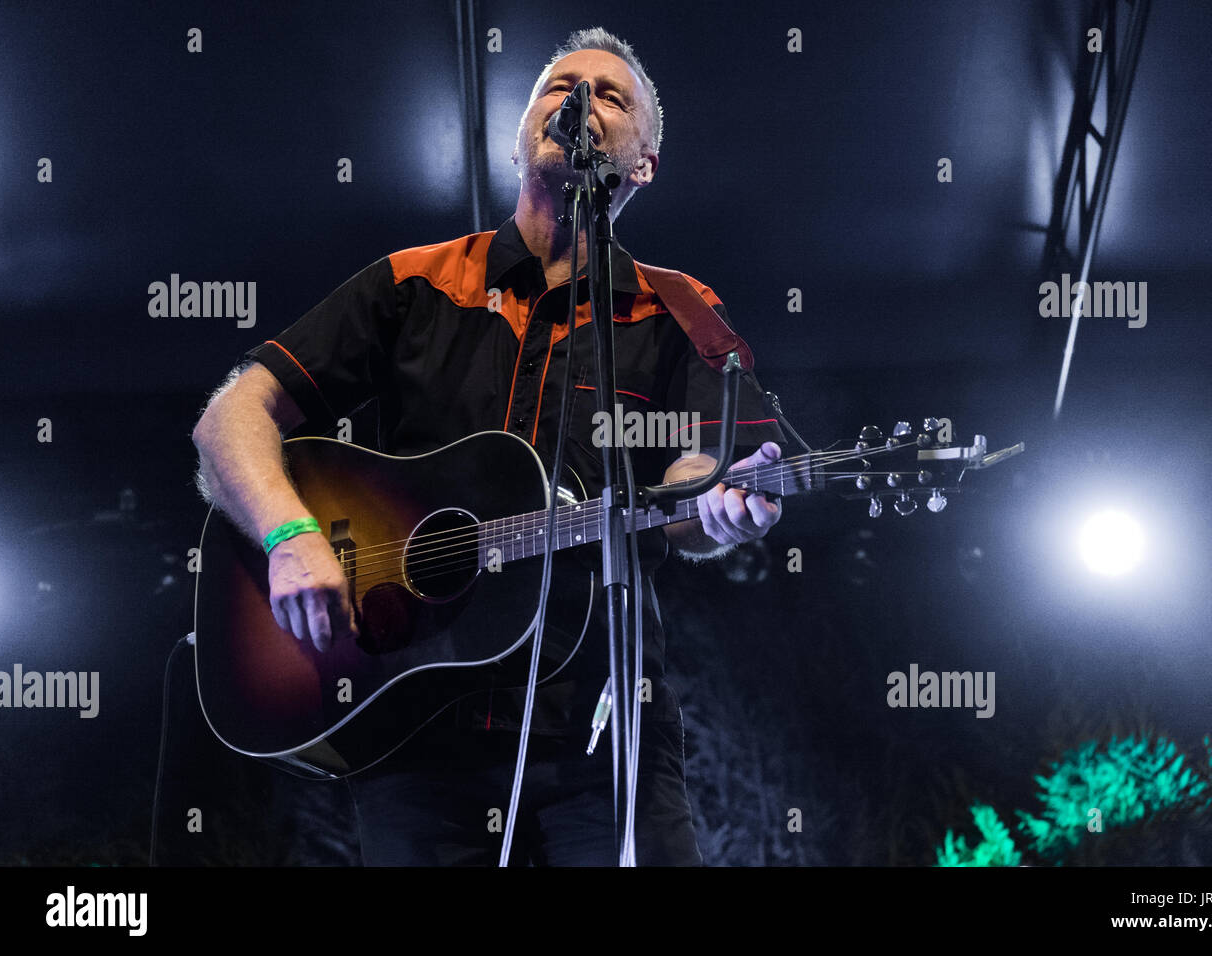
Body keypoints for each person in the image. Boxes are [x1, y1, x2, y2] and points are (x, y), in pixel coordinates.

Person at [192, 27, 785, 866]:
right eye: (559, 87)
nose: (579, 101)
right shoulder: (413, 282)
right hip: (417, 731)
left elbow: (695, 470)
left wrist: (716, 506)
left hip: (604, 727)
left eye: (610, 97)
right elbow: (231, 418)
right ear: (517, 138)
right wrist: (290, 537)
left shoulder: (679, 309)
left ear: (644, 163)